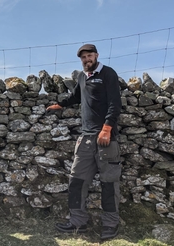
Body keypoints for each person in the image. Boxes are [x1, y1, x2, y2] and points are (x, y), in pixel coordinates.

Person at [46, 43, 122, 240]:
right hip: (86, 139)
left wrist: (107, 128)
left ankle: (110, 224)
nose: (87, 60)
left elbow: (115, 102)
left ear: (96, 55)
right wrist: (60, 104)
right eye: (83, 58)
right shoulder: (82, 77)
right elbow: (76, 97)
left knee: (109, 183)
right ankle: (78, 222)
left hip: (106, 139)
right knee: (77, 181)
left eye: (89, 56)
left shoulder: (108, 74)